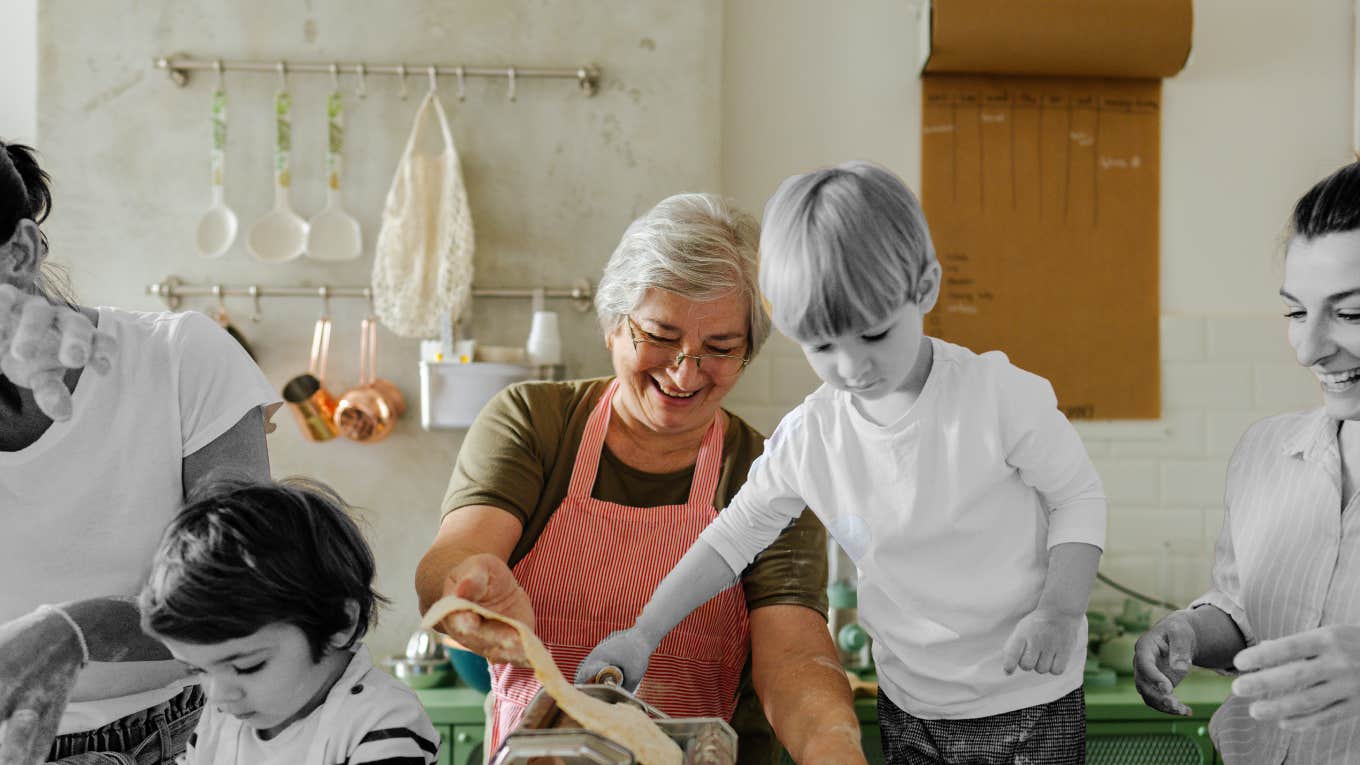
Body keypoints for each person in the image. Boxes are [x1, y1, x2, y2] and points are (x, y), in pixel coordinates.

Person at [579, 161, 1108, 765]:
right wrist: (644, 633)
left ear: (925, 287)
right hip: (911, 705)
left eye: (874, 335)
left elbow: (1078, 499)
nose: (853, 367)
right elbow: (730, 539)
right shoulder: (812, 435)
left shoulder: (997, 397)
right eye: (823, 345)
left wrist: (1060, 610)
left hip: (1029, 697)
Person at [414, 193, 868, 764]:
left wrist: (834, 748)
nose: (684, 372)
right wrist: (466, 584)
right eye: (658, 335)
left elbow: (794, 656)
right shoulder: (534, 423)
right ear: (612, 325)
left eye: (720, 348)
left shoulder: (768, 470)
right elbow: (452, 558)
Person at [0, 139, 279, 764]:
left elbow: (246, 596)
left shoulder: (181, 361)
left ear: (17, 251)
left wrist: (73, 633)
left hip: (168, 743)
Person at [1134, 161, 1360, 763]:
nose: (1309, 348)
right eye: (1294, 312)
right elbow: (1244, 613)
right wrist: (1188, 631)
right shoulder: (1265, 452)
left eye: (1352, 313)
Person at [138, 477, 439, 765]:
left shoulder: (382, 723)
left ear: (340, 623)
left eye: (247, 666)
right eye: (199, 670)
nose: (218, 696)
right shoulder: (222, 721)